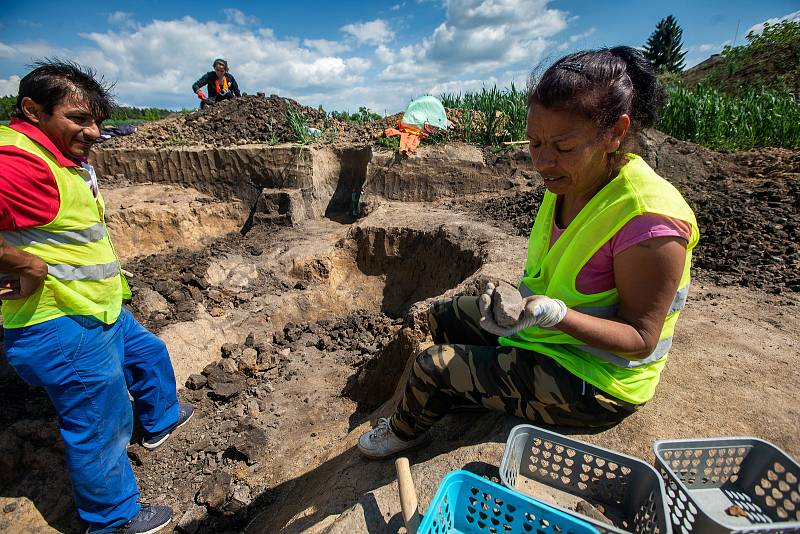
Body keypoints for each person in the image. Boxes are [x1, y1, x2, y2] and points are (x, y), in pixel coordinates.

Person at [358, 46, 700, 459]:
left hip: (597, 381)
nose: (543, 161)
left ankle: (402, 433)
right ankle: (470, 391)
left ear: (615, 132)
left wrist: (556, 314)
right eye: (535, 143)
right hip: (551, 339)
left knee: (433, 368)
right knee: (442, 317)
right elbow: (550, 271)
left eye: (562, 146)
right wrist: (514, 297)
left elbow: (641, 338)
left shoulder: (648, 221)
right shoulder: (570, 182)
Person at [0, 61, 193, 533]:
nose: (93, 132)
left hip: (97, 307)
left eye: (97, 121)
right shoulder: (19, 165)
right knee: (101, 423)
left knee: (149, 353)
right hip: (61, 323)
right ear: (32, 109)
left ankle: (161, 419)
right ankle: (113, 520)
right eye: (79, 119)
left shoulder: (56, 158)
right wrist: (23, 264)